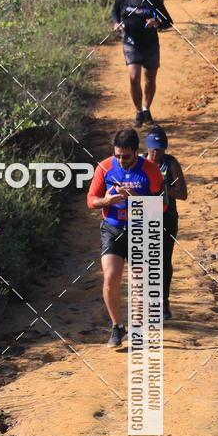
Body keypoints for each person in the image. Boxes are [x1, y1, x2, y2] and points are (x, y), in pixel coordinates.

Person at [87, 127, 164, 347]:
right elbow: (91, 200)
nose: (121, 161)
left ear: (137, 152)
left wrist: (139, 199)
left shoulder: (150, 170)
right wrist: (106, 201)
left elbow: (163, 206)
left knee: (138, 283)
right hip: (113, 228)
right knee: (111, 278)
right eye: (117, 156)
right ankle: (117, 327)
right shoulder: (105, 167)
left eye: (126, 157)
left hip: (141, 230)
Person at [112, 0, 172, 127]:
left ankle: (146, 109)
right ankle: (138, 111)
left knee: (150, 79)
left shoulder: (153, 1)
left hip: (151, 45)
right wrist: (116, 23)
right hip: (131, 44)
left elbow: (168, 21)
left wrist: (157, 22)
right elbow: (114, 12)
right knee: (134, 77)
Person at [145, 125, 187, 319]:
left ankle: (164, 301)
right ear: (147, 148)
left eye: (160, 149)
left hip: (167, 216)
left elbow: (183, 193)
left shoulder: (170, 164)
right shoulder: (140, 163)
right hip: (145, 215)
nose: (157, 154)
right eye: (154, 150)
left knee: (163, 260)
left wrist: (163, 188)